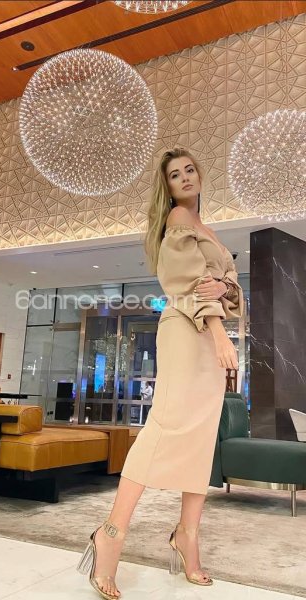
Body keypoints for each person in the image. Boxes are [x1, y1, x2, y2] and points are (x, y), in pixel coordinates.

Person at [77, 147, 243, 599]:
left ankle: (187, 534)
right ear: (166, 186)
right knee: (166, 425)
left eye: (190, 170)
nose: (185, 178)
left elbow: (228, 284)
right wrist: (219, 331)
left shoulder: (208, 228)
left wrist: (225, 287)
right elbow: (187, 281)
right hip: (189, 329)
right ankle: (111, 533)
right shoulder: (178, 220)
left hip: (210, 331)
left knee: (203, 432)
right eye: (175, 174)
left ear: (200, 175)